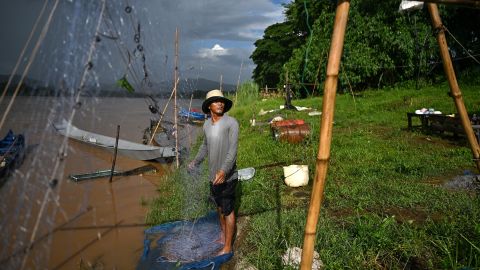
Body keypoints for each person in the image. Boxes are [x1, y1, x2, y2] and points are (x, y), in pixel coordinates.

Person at [188, 89, 239, 255]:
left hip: (228, 177)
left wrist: (224, 171)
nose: (220, 103)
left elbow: (233, 151)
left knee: (228, 209)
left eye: (222, 101)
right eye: (216, 101)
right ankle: (223, 236)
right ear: (209, 106)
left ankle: (227, 246)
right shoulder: (206, 125)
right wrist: (196, 161)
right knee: (219, 207)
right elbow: (204, 146)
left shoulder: (232, 123)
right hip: (213, 177)